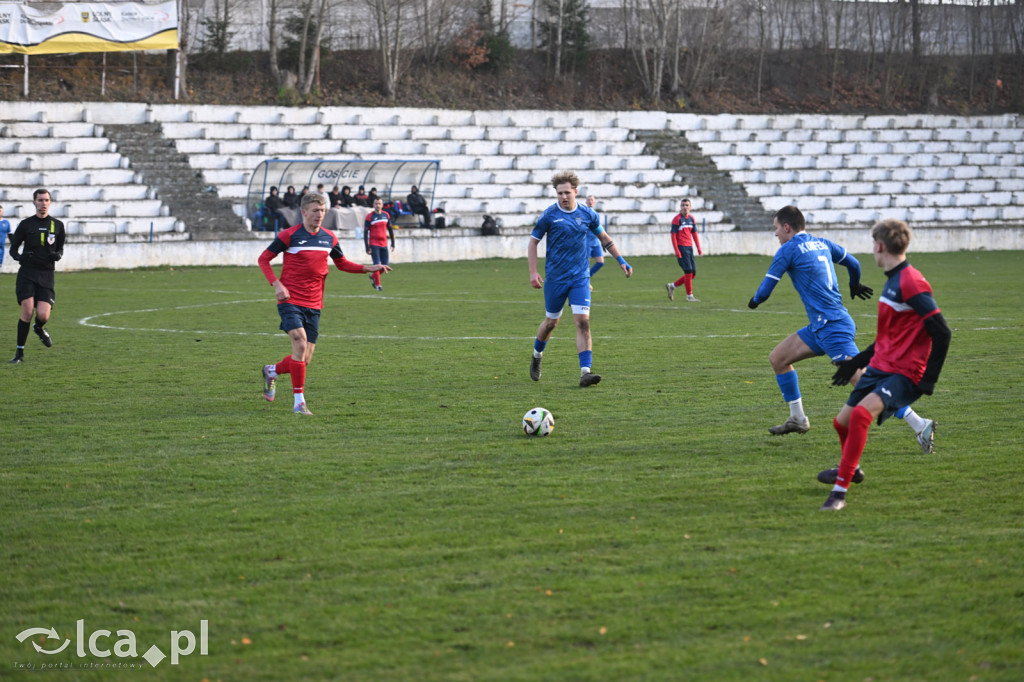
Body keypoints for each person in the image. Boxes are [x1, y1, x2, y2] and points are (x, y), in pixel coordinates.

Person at [747, 206, 934, 451]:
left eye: (776, 229)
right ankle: (798, 419)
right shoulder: (822, 243)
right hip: (822, 326)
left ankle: (920, 424)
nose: (775, 235)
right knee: (779, 358)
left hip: (833, 327)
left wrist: (755, 301)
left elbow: (765, 289)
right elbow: (854, 262)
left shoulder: (788, 249)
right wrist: (854, 285)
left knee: (866, 383)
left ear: (787, 228)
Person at [818, 219, 951, 510]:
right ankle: (851, 470)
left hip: (904, 373)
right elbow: (886, 339)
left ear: (879, 246)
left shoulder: (911, 282)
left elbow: (941, 331)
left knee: (861, 416)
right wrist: (853, 363)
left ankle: (839, 493)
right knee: (841, 423)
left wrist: (929, 379)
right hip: (881, 366)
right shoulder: (893, 281)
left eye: (872, 246)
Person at [258, 192, 390, 415]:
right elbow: (264, 259)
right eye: (315, 211)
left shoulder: (329, 238)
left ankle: (272, 370)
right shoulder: (289, 236)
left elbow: (342, 264)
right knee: (299, 344)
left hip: (315, 303)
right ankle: (299, 403)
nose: (320, 215)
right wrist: (277, 284)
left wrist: (368, 268)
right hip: (290, 300)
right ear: (304, 212)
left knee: (304, 359)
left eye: (323, 211)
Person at [528, 171, 633, 387]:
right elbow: (533, 242)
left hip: (580, 278)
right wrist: (533, 271)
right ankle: (537, 356)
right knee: (551, 323)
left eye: (567, 192)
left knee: (583, 322)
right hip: (556, 279)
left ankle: (585, 372)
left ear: (576, 192)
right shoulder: (549, 215)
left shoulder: (588, 214)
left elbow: (604, 238)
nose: (563, 197)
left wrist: (620, 259)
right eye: (559, 193)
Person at [8, 189, 65, 364]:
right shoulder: (26, 224)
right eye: (40, 200)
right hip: (27, 273)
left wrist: (58, 255)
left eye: (46, 200)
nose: (43, 203)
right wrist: (19, 257)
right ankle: (19, 354)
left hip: (46, 274)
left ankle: (38, 328)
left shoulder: (58, 225)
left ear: (50, 202)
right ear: (34, 202)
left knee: (43, 315)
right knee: (27, 310)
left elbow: (60, 248)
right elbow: (13, 248)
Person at [665, 198, 702, 302]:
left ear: (690, 207)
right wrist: (677, 250)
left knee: (692, 274)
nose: (685, 207)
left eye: (687, 205)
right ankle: (689, 296)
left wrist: (698, 248)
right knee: (688, 272)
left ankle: (672, 286)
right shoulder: (677, 219)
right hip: (682, 248)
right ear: (680, 207)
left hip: (689, 248)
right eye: (683, 205)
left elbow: (694, 234)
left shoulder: (691, 219)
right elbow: (673, 236)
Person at [363, 197, 395, 291]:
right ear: (373, 205)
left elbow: (390, 229)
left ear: (382, 205)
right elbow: (365, 233)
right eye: (376, 203)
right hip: (374, 244)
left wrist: (393, 243)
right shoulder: (370, 217)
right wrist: (367, 246)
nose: (377, 205)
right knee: (377, 265)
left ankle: (373, 275)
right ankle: (378, 285)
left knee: (385, 265)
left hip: (384, 244)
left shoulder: (386, 215)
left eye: (379, 203)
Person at [584, 195, 604, 286]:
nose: (590, 201)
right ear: (586, 202)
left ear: (594, 202)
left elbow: (598, 229)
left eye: (592, 200)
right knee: (585, 264)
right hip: (587, 242)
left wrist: (603, 240)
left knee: (600, 262)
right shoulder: (584, 213)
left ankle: (587, 278)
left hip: (596, 242)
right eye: (588, 200)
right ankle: (584, 281)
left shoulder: (596, 214)